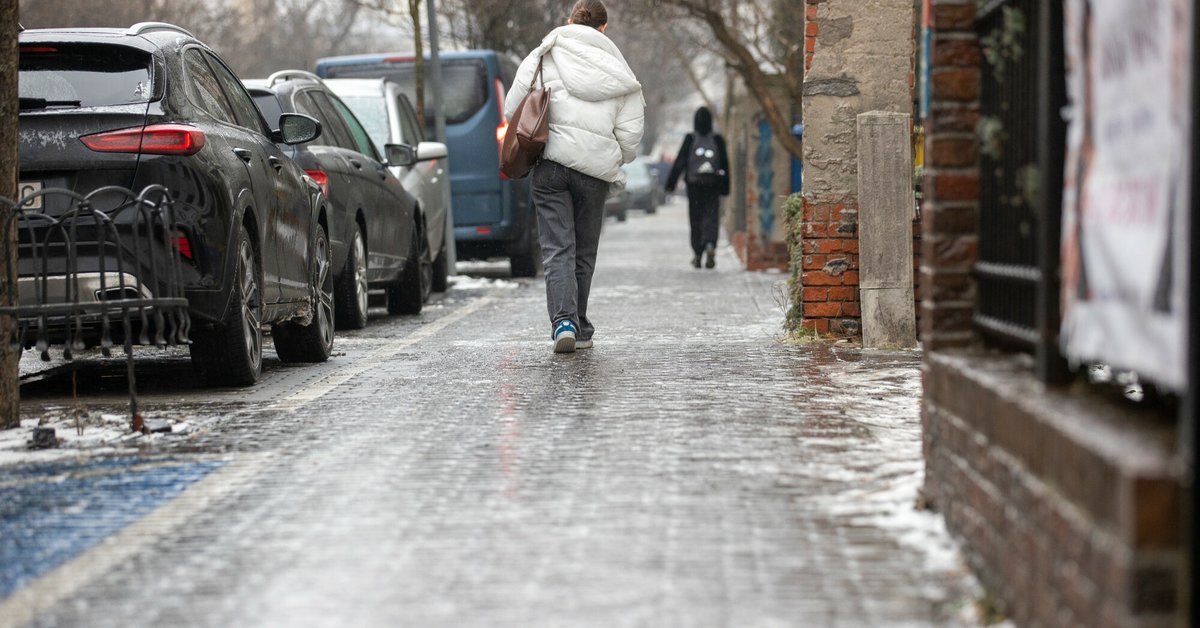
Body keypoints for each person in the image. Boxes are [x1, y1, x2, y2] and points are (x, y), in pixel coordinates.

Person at [504, 0, 644, 354]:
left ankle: (563, 322)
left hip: (550, 166)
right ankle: (579, 327)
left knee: (557, 248)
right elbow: (630, 134)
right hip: (594, 173)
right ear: (603, 29)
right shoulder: (620, 71)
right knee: (584, 251)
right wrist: (610, 155)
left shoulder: (542, 55)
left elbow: (512, 109)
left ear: (570, 21)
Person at [666, 107, 730, 269]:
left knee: (696, 218)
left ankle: (697, 253)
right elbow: (725, 164)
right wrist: (725, 187)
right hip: (712, 184)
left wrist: (671, 184)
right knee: (711, 215)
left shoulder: (690, 138)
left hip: (694, 184)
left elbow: (680, 162)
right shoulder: (717, 139)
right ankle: (710, 243)